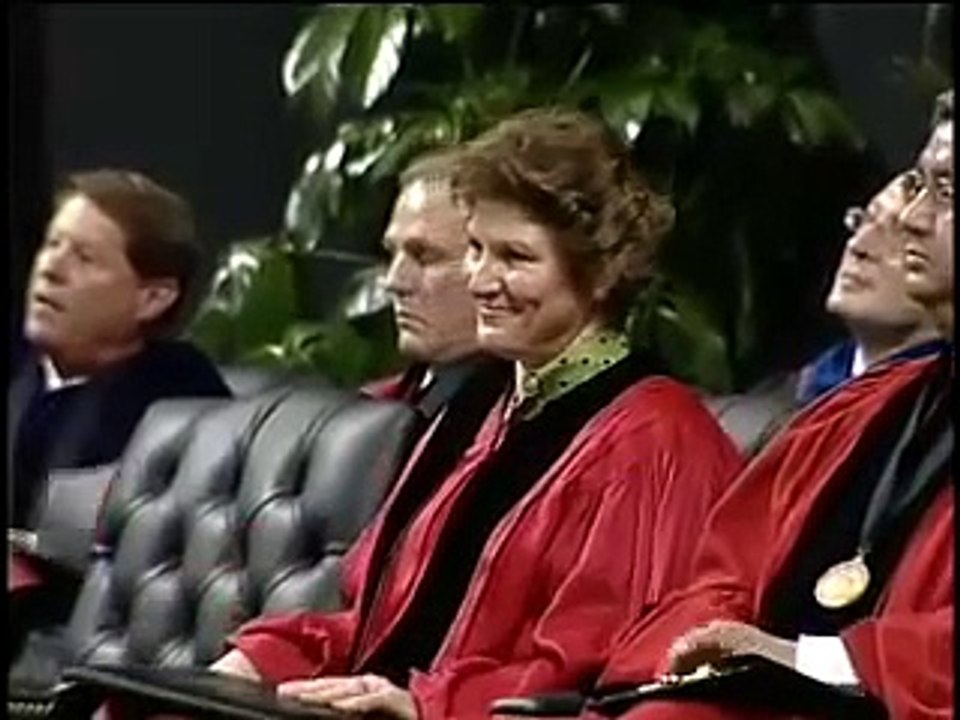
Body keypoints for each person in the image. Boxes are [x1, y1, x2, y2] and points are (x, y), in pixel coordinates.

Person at [210, 107, 743, 719]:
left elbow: (608, 677)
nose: (482, 280)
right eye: (475, 250)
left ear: (600, 273)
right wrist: (263, 659)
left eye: (515, 257)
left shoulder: (656, 444)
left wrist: (428, 705)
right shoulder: (478, 405)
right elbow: (381, 628)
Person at [587, 90, 954, 720]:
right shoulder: (857, 412)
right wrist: (721, 643)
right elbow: (720, 578)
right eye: (920, 184)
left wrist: (811, 658)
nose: (912, 219)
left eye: (946, 192)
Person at [8, 169, 231, 674]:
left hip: (77, 654)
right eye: (53, 245)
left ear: (153, 298)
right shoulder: (19, 369)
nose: (51, 269)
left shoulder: (184, 408)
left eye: (84, 258)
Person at [793, 173, 945, 405]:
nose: (857, 245)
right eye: (865, 220)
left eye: (902, 236)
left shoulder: (935, 413)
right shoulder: (779, 404)